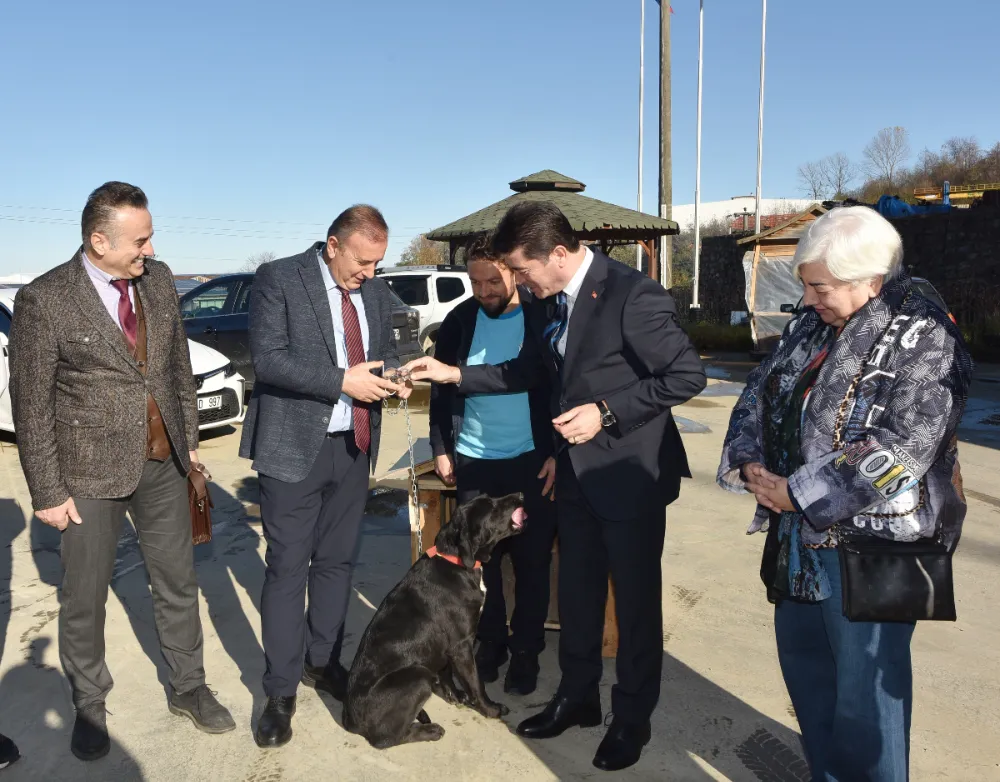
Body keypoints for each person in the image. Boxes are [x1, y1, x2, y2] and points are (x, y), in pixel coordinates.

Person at [406, 202, 706, 772]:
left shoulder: (632, 294)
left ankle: (632, 719)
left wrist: (606, 413)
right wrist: (452, 375)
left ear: (559, 255)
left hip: (629, 477)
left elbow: (686, 374)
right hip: (571, 472)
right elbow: (528, 375)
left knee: (636, 609)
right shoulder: (550, 303)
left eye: (522, 270)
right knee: (578, 597)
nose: (518, 283)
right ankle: (577, 698)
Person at [717, 206, 973, 781]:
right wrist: (751, 461)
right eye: (807, 286)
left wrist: (803, 494)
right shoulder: (812, 324)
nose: (807, 300)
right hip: (799, 544)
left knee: (866, 704)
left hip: (875, 549)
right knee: (808, 676)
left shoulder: (925, 335)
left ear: (871, 282)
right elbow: (759, 390)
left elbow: (907, 444)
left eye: (818, 287)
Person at [8, 182, 235, 762]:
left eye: (151, 236)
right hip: (87, 476)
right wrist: (49, 490)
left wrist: (189, 452)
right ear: (98, 239)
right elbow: (30, 403)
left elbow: (176, 369)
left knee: (179, 583)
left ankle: (188, 687)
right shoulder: (45, 298)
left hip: (164, 465)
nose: (150, 249)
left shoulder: (156, 281)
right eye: (140, 239)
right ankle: (89, 703)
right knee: (84, 598)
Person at [240, 205, 410, 748]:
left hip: (355, 445)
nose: (371, 275)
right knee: (288, 568)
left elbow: (395, 345)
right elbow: (268, 360)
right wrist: (342, 382)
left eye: (378, 264)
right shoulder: (280, 279)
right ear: (333, 245)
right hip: (293, 449)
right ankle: (280, 691)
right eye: (363, 262)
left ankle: (324, 662)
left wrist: (401, 373)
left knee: (337, 563)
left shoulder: (375, 291)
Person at [428, 232, 557, 696]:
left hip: (530, 463)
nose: (484, 292)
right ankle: (492, 642)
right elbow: (442, 392)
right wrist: (442, 445)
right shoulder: (460, 321)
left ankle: (526, 649)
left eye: (492, 281)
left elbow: (551, 384)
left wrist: (557, 454)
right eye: (474, 282)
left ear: (514, 272)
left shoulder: (544, 315)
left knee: (532, 562)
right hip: (475, 462)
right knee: (479, 563)